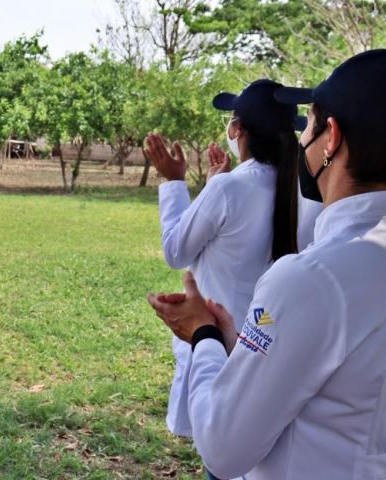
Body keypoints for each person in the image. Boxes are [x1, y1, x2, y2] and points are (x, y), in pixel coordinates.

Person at [148, 49, 386, 479]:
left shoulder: (313, 277)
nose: (303, 139)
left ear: (330, 137)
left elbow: (223, 450)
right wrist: (236, 341)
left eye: (311, 125)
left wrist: (203, 335)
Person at [144, 80, 301, 479]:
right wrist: (215, 183)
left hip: (221, 339)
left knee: (222, 457)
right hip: (271, 342)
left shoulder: (232, 188)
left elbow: (176, 251)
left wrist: (174, 181)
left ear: (237, 130)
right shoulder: (298, 189)